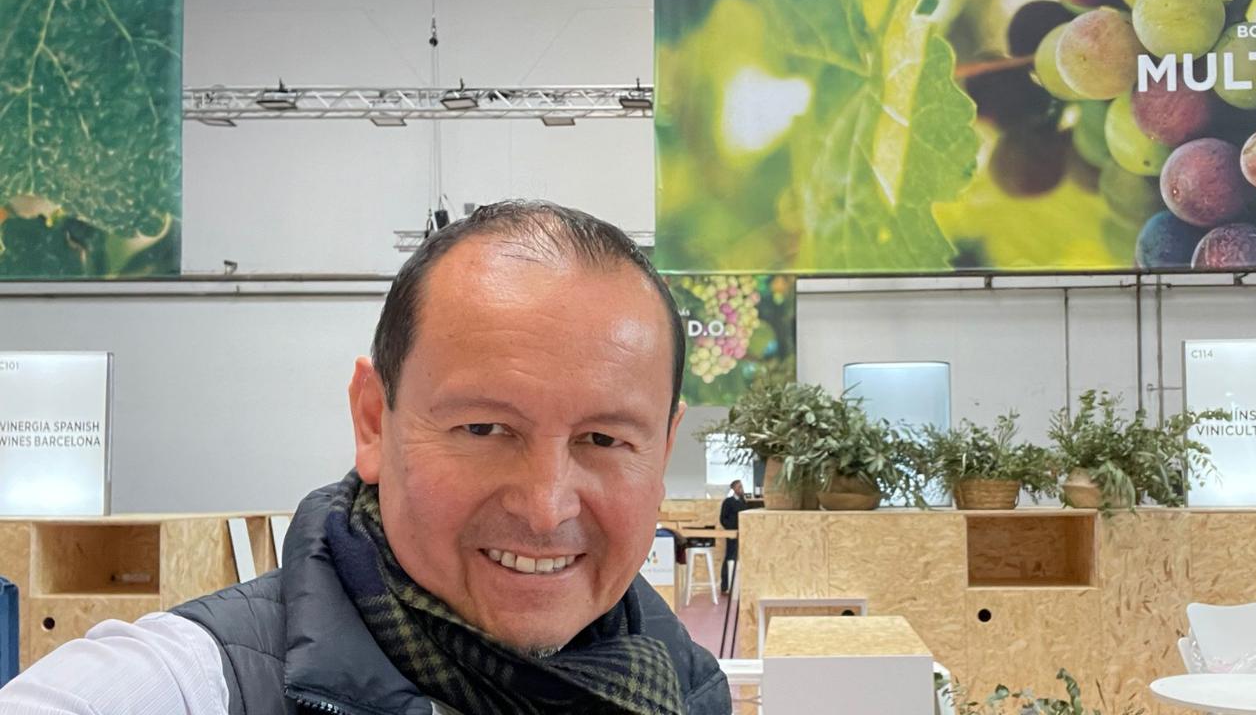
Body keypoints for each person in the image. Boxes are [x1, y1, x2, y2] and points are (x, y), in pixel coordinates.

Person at [0, 201, 732, 715]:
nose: (546, 508)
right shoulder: (190, 685)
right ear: (374, 421)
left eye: (603, 440)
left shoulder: (689, 688)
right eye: (484, 429)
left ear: (663, 449)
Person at [717, 480, 749, 595]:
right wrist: (730, 528)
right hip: (731, 533)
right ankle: (725, 585)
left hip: (743, 533)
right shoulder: (728, 502)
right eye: (739, 486)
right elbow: (723, 518)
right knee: (730, 557)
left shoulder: (743, 501)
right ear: (734, 488)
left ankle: (738, 585)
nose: (741, 488)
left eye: (742, 486)